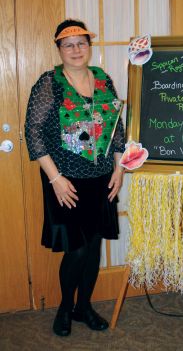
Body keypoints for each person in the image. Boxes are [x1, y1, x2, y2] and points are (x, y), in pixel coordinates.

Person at [25, 19, 125, 336]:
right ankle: (66, 308)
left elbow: (115, 129)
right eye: (68, 44)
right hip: (65, 180)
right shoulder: (49, 83)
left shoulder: (103, 80)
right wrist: (55, 179)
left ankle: (85, 307)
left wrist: (120, 169)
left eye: (81, 43)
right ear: (59, 49)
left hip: (101, 178)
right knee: (77, 249)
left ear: (89, 46)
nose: (76, 49)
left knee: (93, 247)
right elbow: (34, 133)